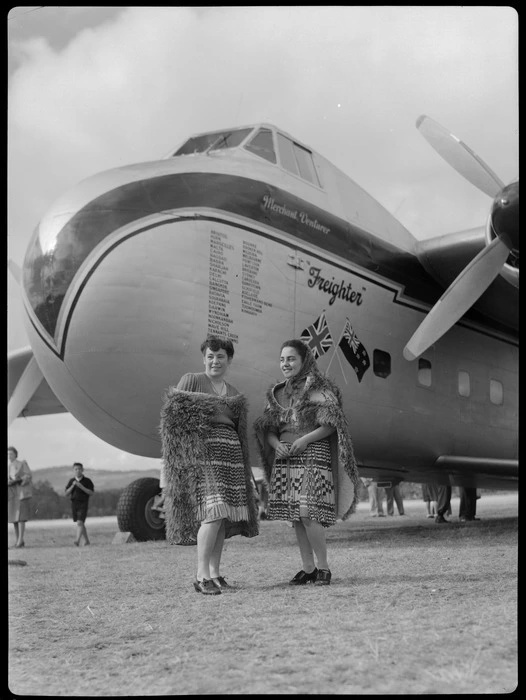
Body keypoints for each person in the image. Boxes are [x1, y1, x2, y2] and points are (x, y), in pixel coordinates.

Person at [254, 339, 360, 586]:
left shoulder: (320, 388)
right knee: (296, 516)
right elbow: (267, 429)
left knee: (307, 511)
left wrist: (305, 440)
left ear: (304, 361)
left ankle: (323, 568)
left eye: (290, 359)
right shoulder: (277, 393)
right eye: (282, 359)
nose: (285, 364)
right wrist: (275, 445)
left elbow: (332, 424)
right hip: (286, 457)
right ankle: (308, 568)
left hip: (314, 453)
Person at [160, 336, 259, 596]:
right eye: (210, 356)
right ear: (203, 358)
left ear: (229, 360)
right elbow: (174, 422)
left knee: (223, 516)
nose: (215, 361)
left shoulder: (235, 392)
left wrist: (247, 472)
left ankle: (215, 574)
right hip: (203, 456)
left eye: (221, 356)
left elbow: (239, 433)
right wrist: (180, 462)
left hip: (231, 456)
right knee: (213, 513)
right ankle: (201, 575)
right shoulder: (191, 380)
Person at [8, 446, 33, 548]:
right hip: (13, 494)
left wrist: (18, 481)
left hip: (22, 493)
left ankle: (20, 540)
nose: (9, 456)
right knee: (14, 518)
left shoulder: (22, 463)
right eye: (8, 454)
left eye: (11, 454)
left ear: (15, 454)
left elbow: (28, 476)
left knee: (21, 518)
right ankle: (19, 540)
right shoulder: (9, 466)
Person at [65, 463, 94, 546]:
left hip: (83, 503)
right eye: (76, 469)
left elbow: (91, 492)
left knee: (79, 522)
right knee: (81, 523)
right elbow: (66, 493)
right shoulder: (71, 481)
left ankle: (77, 541)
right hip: (74, 503)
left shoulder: (87, 481)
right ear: (73, 470)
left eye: (79, 469)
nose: (78, 471)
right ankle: (87, 541)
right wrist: (73, 486)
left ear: (82, 470)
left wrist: (81, 487)